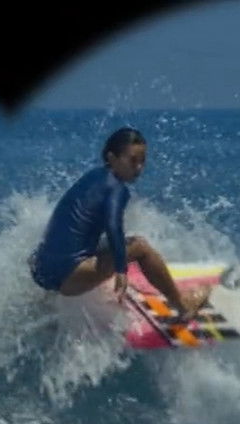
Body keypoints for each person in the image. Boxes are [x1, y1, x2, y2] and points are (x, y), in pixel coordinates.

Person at [28, 127, 209, 319]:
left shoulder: (93, 177)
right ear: (112, 158)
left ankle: (48, 307)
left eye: (142, 161)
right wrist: (121, 269)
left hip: (41, 271)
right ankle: (182, 306)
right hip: (70, 277)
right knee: (140, 246)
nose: (138, 167)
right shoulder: (117, 189)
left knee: (98, 244)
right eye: (132, 160)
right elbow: (113, 226)